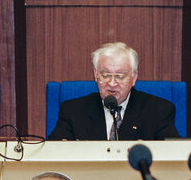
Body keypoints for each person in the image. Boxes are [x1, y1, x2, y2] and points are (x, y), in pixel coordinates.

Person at [48, 42, 181, 140]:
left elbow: (172, 154)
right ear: (96, 75)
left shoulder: (159, 111)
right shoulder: (73, 111)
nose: (112, 83)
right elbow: (55, 152)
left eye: (120, 76)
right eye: (105, 75)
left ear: (134, 77)